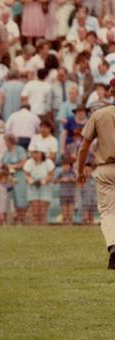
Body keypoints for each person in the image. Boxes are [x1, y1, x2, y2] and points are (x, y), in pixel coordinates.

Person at [77, 81, 115, 269]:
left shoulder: (99, 115)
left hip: (106, 168)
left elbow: (84, 146)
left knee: (108, 212)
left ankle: (113, 245)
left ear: (110, 92)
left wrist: (79, 170)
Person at [2, 134, 29, 224]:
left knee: (20, 197)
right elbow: (3, 163)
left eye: (6, 141)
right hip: (9, 177)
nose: (5, 143)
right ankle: (15, 218)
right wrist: (6, 167)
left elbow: (23, 163)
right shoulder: (6, 152)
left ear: (10, 141)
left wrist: (12, 166)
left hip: (19, 177)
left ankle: (22, 218)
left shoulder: (20, 150)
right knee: (12, 197)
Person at [24, 149, 55, 225]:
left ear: (41, 153)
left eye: (36, 152)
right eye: (33, 153)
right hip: (33, 188)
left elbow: (51, 175)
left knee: (43, 211)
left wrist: (44, 181)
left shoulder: (48, 162)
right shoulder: (29, 162)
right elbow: (27, 175)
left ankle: (43, 228)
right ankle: (35, 229)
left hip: (45, 187)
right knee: (35, 211)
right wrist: (32, 181)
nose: (34, 155)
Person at [56, 158, 77, 225]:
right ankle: (64, 222)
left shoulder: (73, 173)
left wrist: (70, 179)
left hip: (71, 194)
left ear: (70, 166)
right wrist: (62, 180)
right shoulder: (60, 173)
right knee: (64, 211)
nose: (65, 167)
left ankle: (70, 222)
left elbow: (77, 181)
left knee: (70, 211)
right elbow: (55, 181)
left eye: (67, 165)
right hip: (63, 194)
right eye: (64, 165)